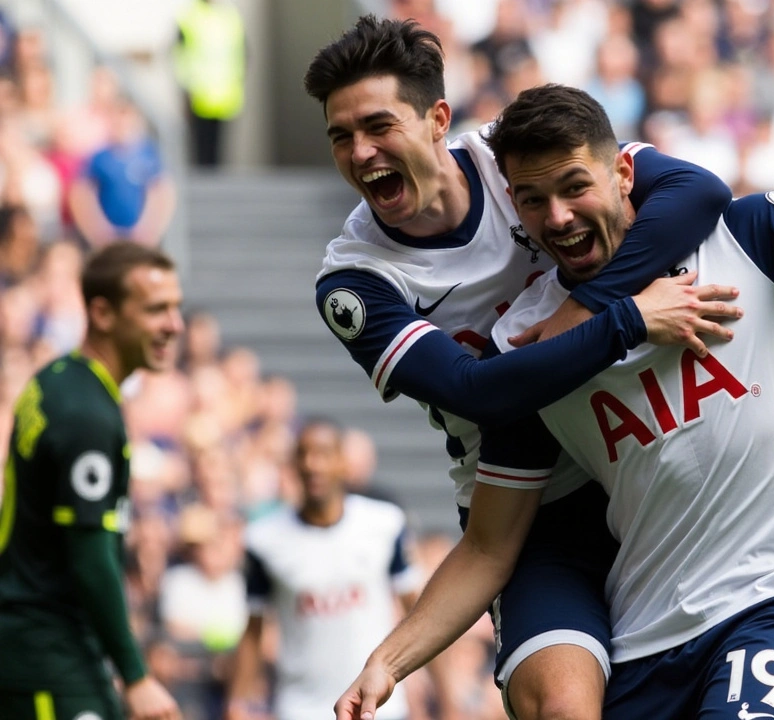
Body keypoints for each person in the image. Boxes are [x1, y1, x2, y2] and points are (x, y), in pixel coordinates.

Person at [336, 84, 774, 720]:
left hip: (772, 595)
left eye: (576, 187)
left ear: (624, 172)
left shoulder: (741, 236)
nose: (560, 217)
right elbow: (490, 545)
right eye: (534, 200)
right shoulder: (531, 348)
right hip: (649, 633)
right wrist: (388, 661)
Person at [305, 17, 741, 719]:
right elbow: (476, 393)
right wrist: (623, 319)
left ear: (437, 118)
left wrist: (586, 309)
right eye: (340, 136)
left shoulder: (514, 164)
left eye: (379, 126)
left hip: (656, 453)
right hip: (532, 504)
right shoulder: (354, 282)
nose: (361, 152)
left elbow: (696, 191)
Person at [0, 242, 184, 720]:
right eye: (156, 310)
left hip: (36, 635)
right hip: (46, 650)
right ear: (102, 313)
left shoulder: (56, 378)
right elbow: (90, 557)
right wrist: (137, 676)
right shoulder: (87, 417)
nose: (174, 325)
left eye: (176, 308)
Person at [225, 418, 423, 720]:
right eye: (303, 454)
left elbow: (420, 611)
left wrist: (447, 699)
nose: (312, 464)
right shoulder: (263, 539)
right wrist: (237, 703)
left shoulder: (384, 524)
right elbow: (253, 629)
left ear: (343, 462)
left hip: (379, 706)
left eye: (323, 453)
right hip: (301, 708)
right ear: (293, 464)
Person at [68, 100, 175, 248]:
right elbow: (81, 195)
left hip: (141, 238)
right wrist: (98, 231)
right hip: (108, 239)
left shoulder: (149, 155)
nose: (123, 125)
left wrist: (150, 230)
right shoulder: (99, 157)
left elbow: (162, 194)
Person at [174, 0, 246, 167]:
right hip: (200, 95)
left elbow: (242, 52)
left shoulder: (230, 16)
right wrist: (185, 91)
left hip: (226, 95)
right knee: (203, 154)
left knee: (219, 154)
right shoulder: (190, 16)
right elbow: (180, 56)